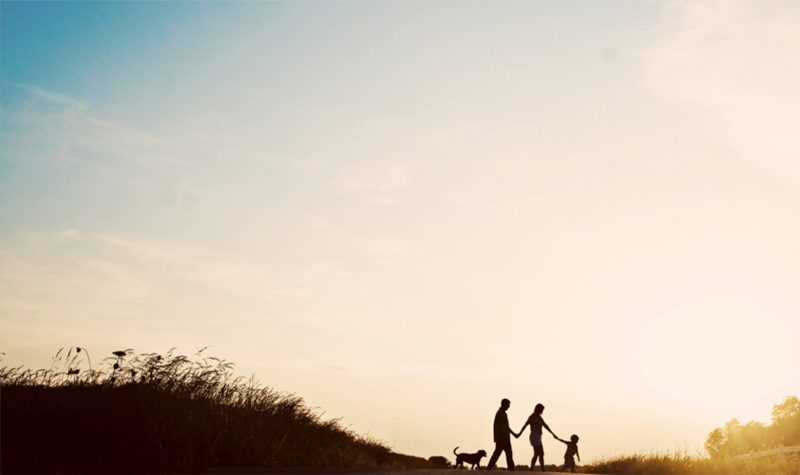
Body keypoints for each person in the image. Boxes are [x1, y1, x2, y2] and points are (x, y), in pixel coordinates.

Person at [513, 403, 556, 472]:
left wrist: (552, 433)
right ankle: (542, 469)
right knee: (541, 453)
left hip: (538, 436)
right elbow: (525, 425)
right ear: (537, 409)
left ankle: (532, 469)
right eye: (541, 410)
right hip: (534, 436)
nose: (542, 411)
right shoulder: (532, 417)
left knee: (537, 454)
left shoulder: (539, 417)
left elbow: (545, 425)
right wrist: (519, 434)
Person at [486, 398, 515, 470]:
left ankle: (489, 467)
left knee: (498, 453)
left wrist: (514, 434)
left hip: (502, 437)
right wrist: (503, 438)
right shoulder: (501, 414)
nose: (509, 407)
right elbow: (502, 427)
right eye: (508, 405)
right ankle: (511, 469)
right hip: (503, 438)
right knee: (508, 454)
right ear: (504, 404)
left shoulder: (502, 413)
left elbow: (506, 427)